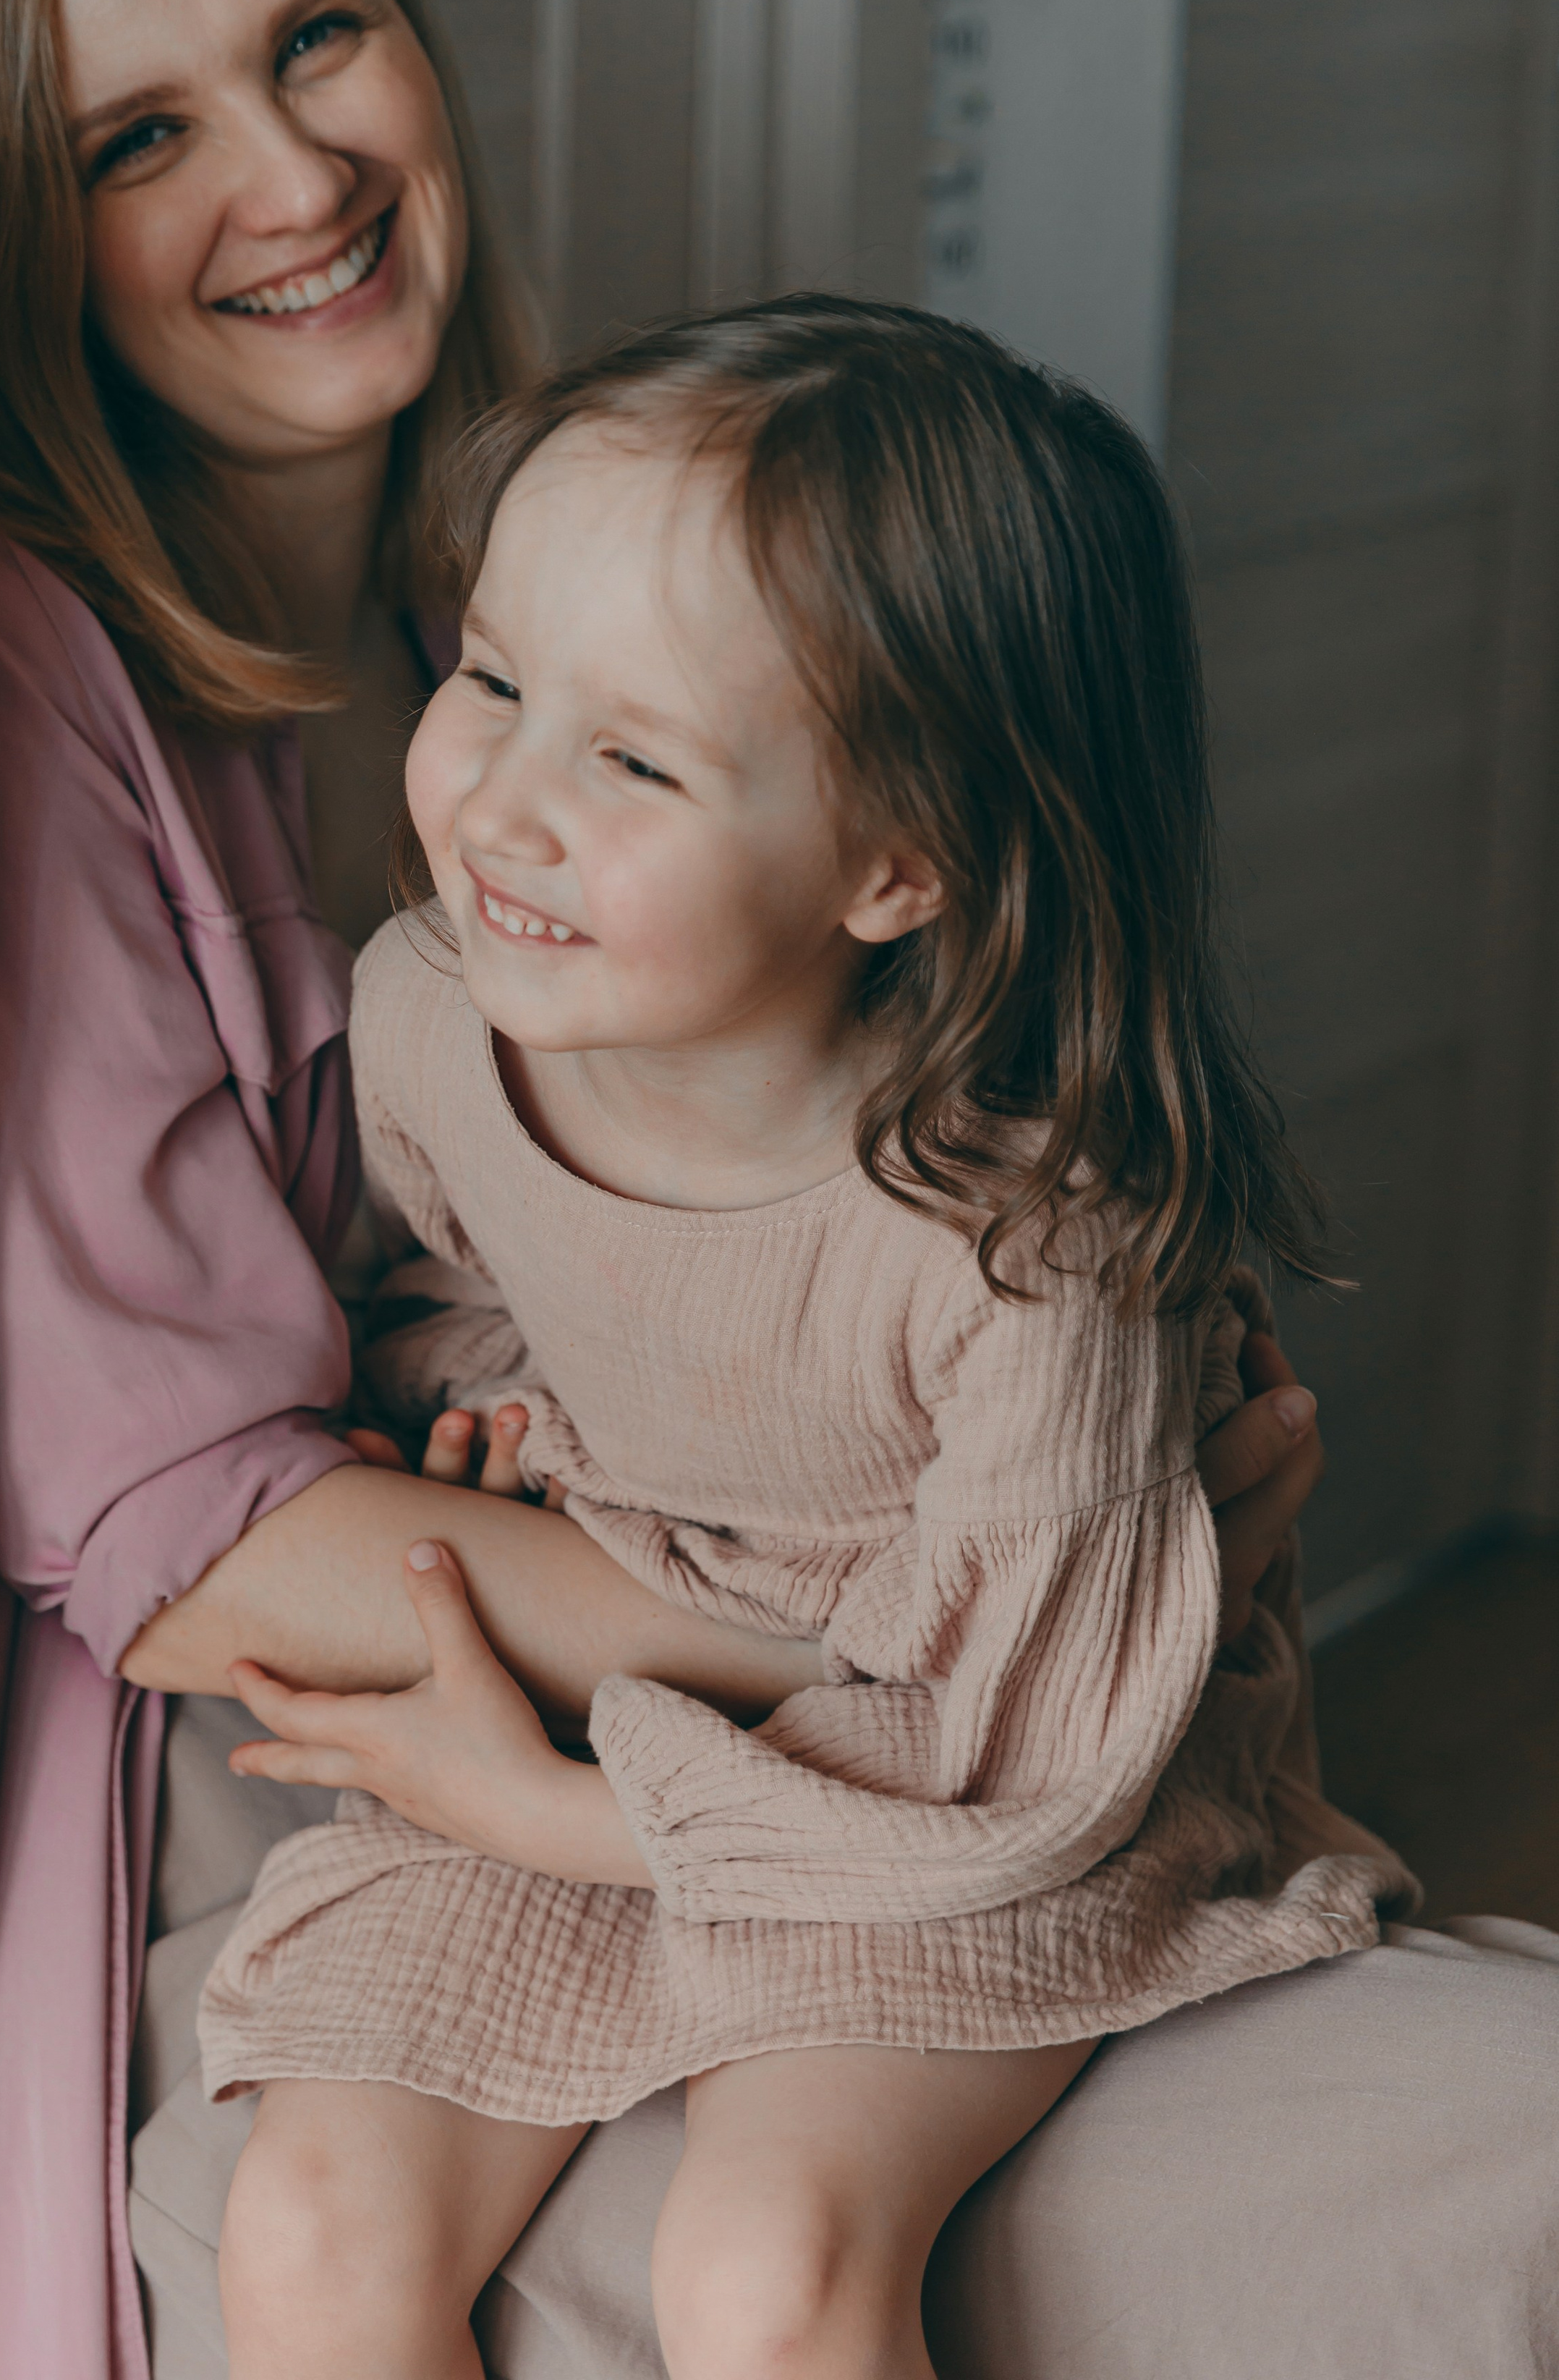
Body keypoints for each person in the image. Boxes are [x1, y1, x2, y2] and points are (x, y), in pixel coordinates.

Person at [0, 0, 1550, 2380]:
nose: (294, 178)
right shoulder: (11, 660)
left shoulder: (580, 557)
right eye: (135, 136)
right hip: (334, 1766)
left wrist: (1088, 1493)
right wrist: (922, 1610)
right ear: (15, 218)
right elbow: (202, 1546)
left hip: (801, 1724)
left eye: (315, 36)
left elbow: (862, 1220)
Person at [193, 300, 1409, 2380]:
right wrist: (485, 1400)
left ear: (894, 864)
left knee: (764, 2270)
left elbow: (1011, 1770)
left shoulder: (1030, 1248)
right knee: (306, 2234)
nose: (500, 802)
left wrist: (547, 1810)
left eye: (635, 757)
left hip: (975, 1786)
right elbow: (465, 1276)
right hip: (643, 1694)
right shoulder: (433, 1016)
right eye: (491, 675)